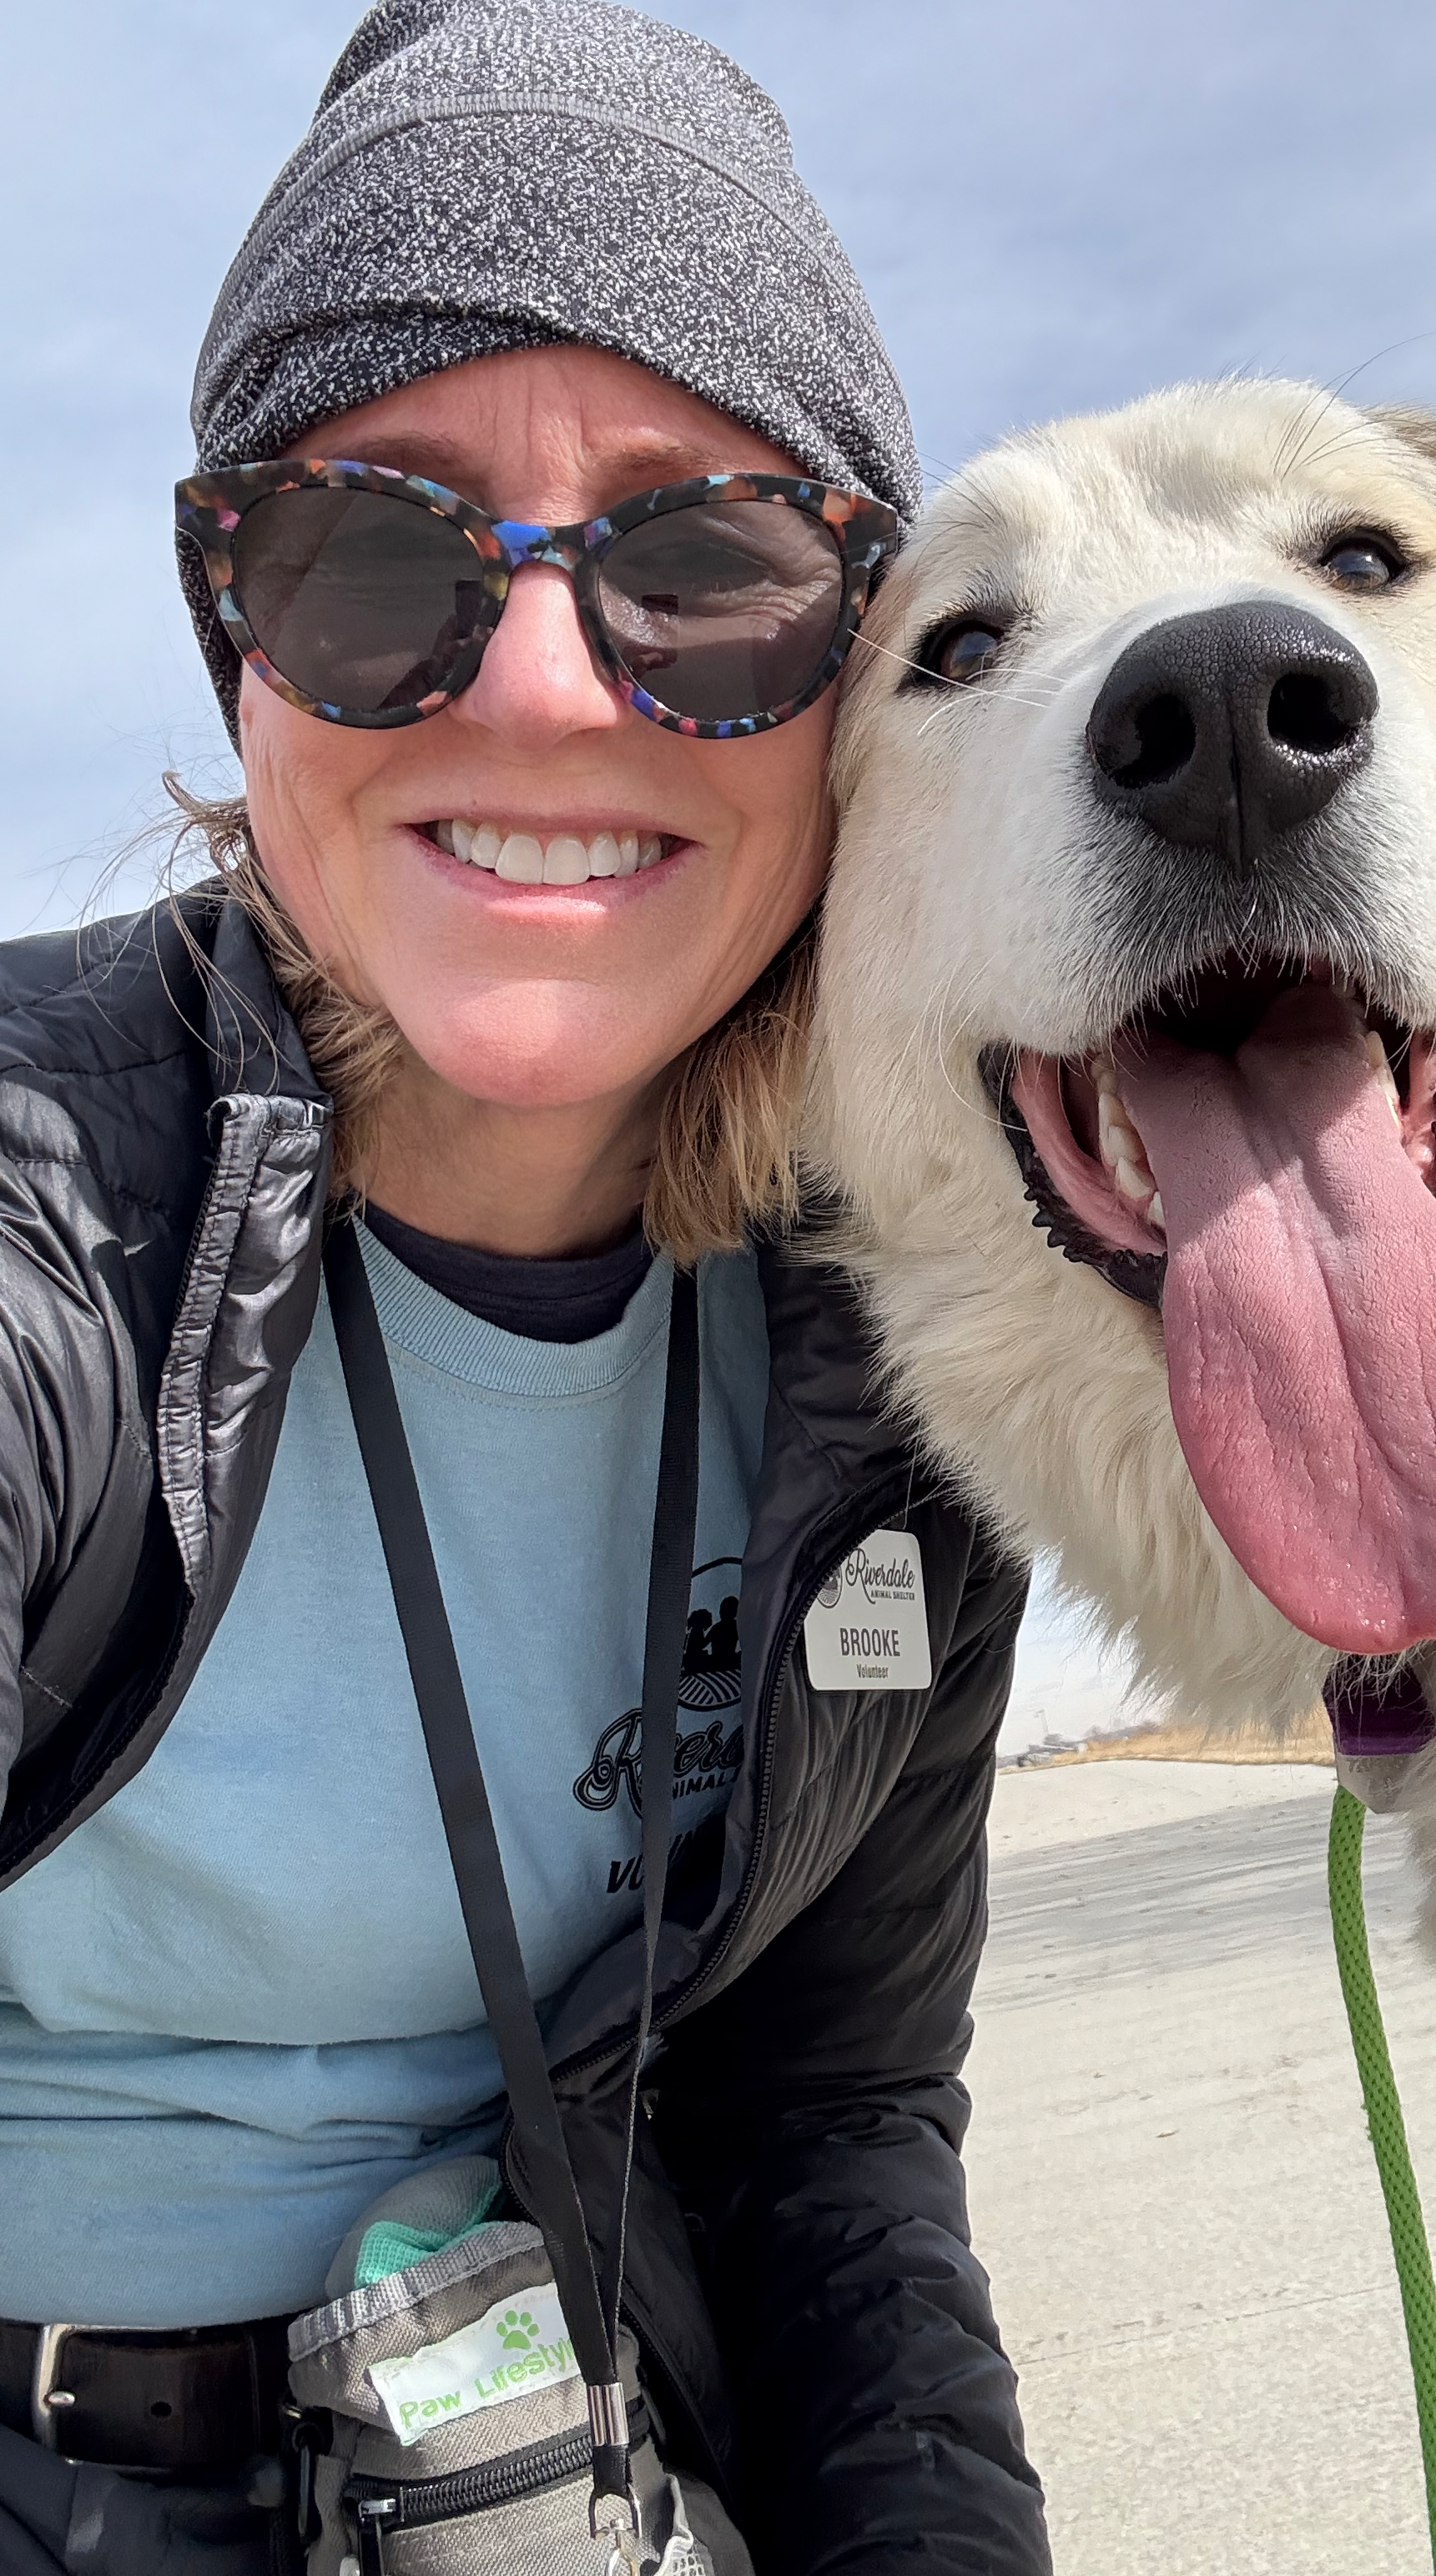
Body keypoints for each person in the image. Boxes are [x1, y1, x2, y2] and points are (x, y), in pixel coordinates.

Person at [0, 6, 1047, 2572]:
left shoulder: (905, 1349)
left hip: (518, 2470)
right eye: (378, 558)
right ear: (231, 631)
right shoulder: (46, 1183)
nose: (549, 686)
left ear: (862, 662)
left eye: (703, 564)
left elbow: (822, 2117)